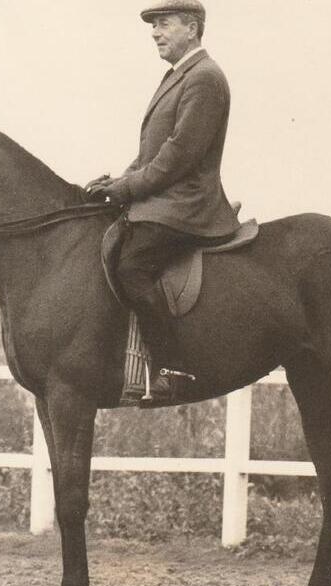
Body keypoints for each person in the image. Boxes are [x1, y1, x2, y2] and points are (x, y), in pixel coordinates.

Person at [87, 0, 241, 399]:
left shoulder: (205, 77)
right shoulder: (178, 76)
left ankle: (173, 367)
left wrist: (128, 189)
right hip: (163, 198)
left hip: (186, 204)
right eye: (153, 25)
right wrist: (117, 182)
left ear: (192, 28)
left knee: (131, 266)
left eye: (164, 24)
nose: (155, 32)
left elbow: (180, 155)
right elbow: (151, 152)